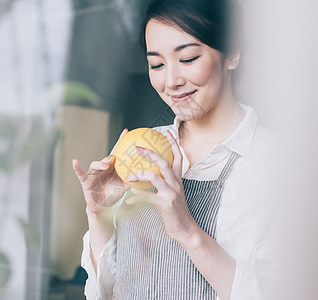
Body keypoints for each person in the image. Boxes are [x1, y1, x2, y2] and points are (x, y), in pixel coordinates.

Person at [72, 0, 277, 299]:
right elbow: (103, 291)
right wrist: (98, 211)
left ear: (232, 54)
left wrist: (187, 230)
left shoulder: (275, 164)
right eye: (156, 64)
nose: (171, 81)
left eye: (189, 58)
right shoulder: (141, 150)